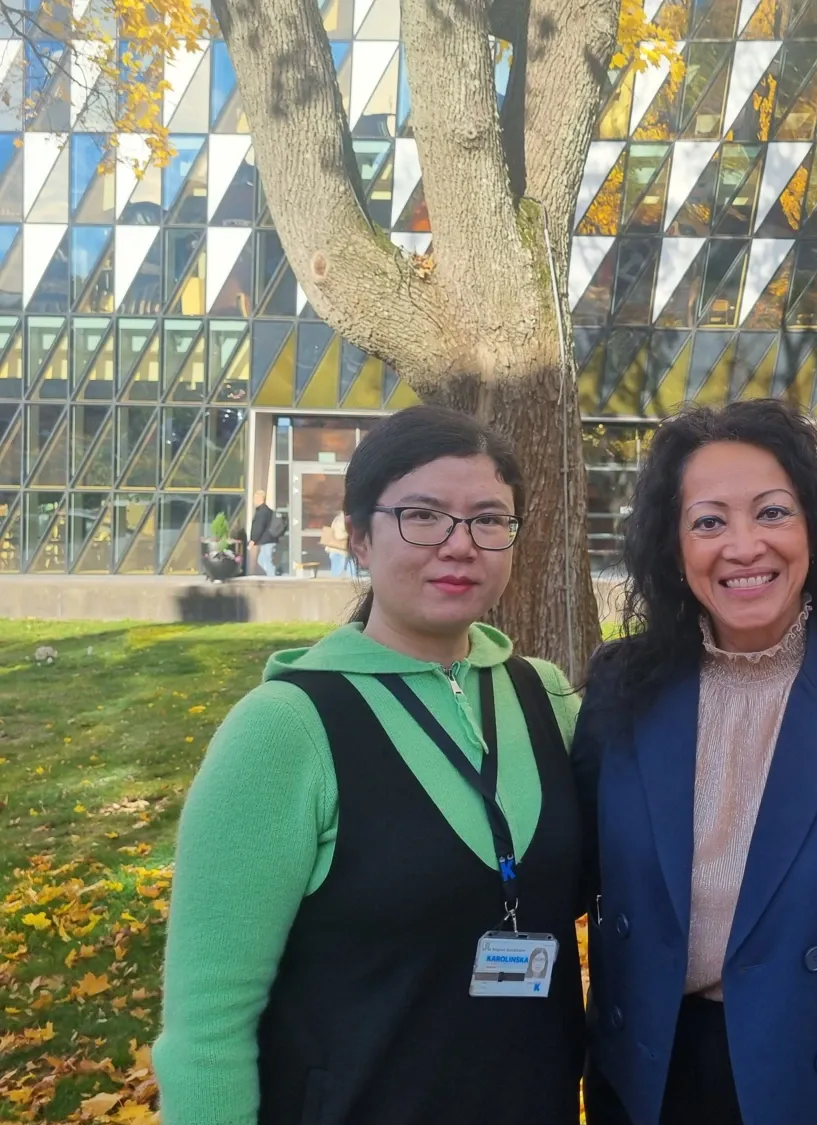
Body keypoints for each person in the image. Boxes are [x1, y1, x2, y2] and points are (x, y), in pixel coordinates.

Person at [155, 405, 586, 1125]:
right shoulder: (284, 730)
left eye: (488, 519)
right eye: (422, 515)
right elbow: (205, 1032)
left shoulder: (544, 696)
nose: (459, 544)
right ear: (357, 535)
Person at [573, 399, 817, 1125]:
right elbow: (569, 873)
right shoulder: (624, 686)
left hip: (810, 1078)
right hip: (647, 1073)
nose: (744, 546)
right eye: (709, 521)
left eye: (773, 512)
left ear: (815, 526)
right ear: (673, 544)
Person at [248, 490, 281, 577]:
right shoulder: (267, 510)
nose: (253, 500)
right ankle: (273, 576)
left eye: (255, 498)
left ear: (260, 499)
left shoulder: (262, 512)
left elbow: (259, 527)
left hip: (267, 541)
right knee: (262, 560)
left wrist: (253, 540)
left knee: (266, 560)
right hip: (269, 540)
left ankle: (273, 579)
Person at [321, 511, 352, 577]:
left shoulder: (340, 518)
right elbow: (339, 536)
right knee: (337, 575)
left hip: (343, 551)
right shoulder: (341, 520)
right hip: (338, 551)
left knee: (351, 575)